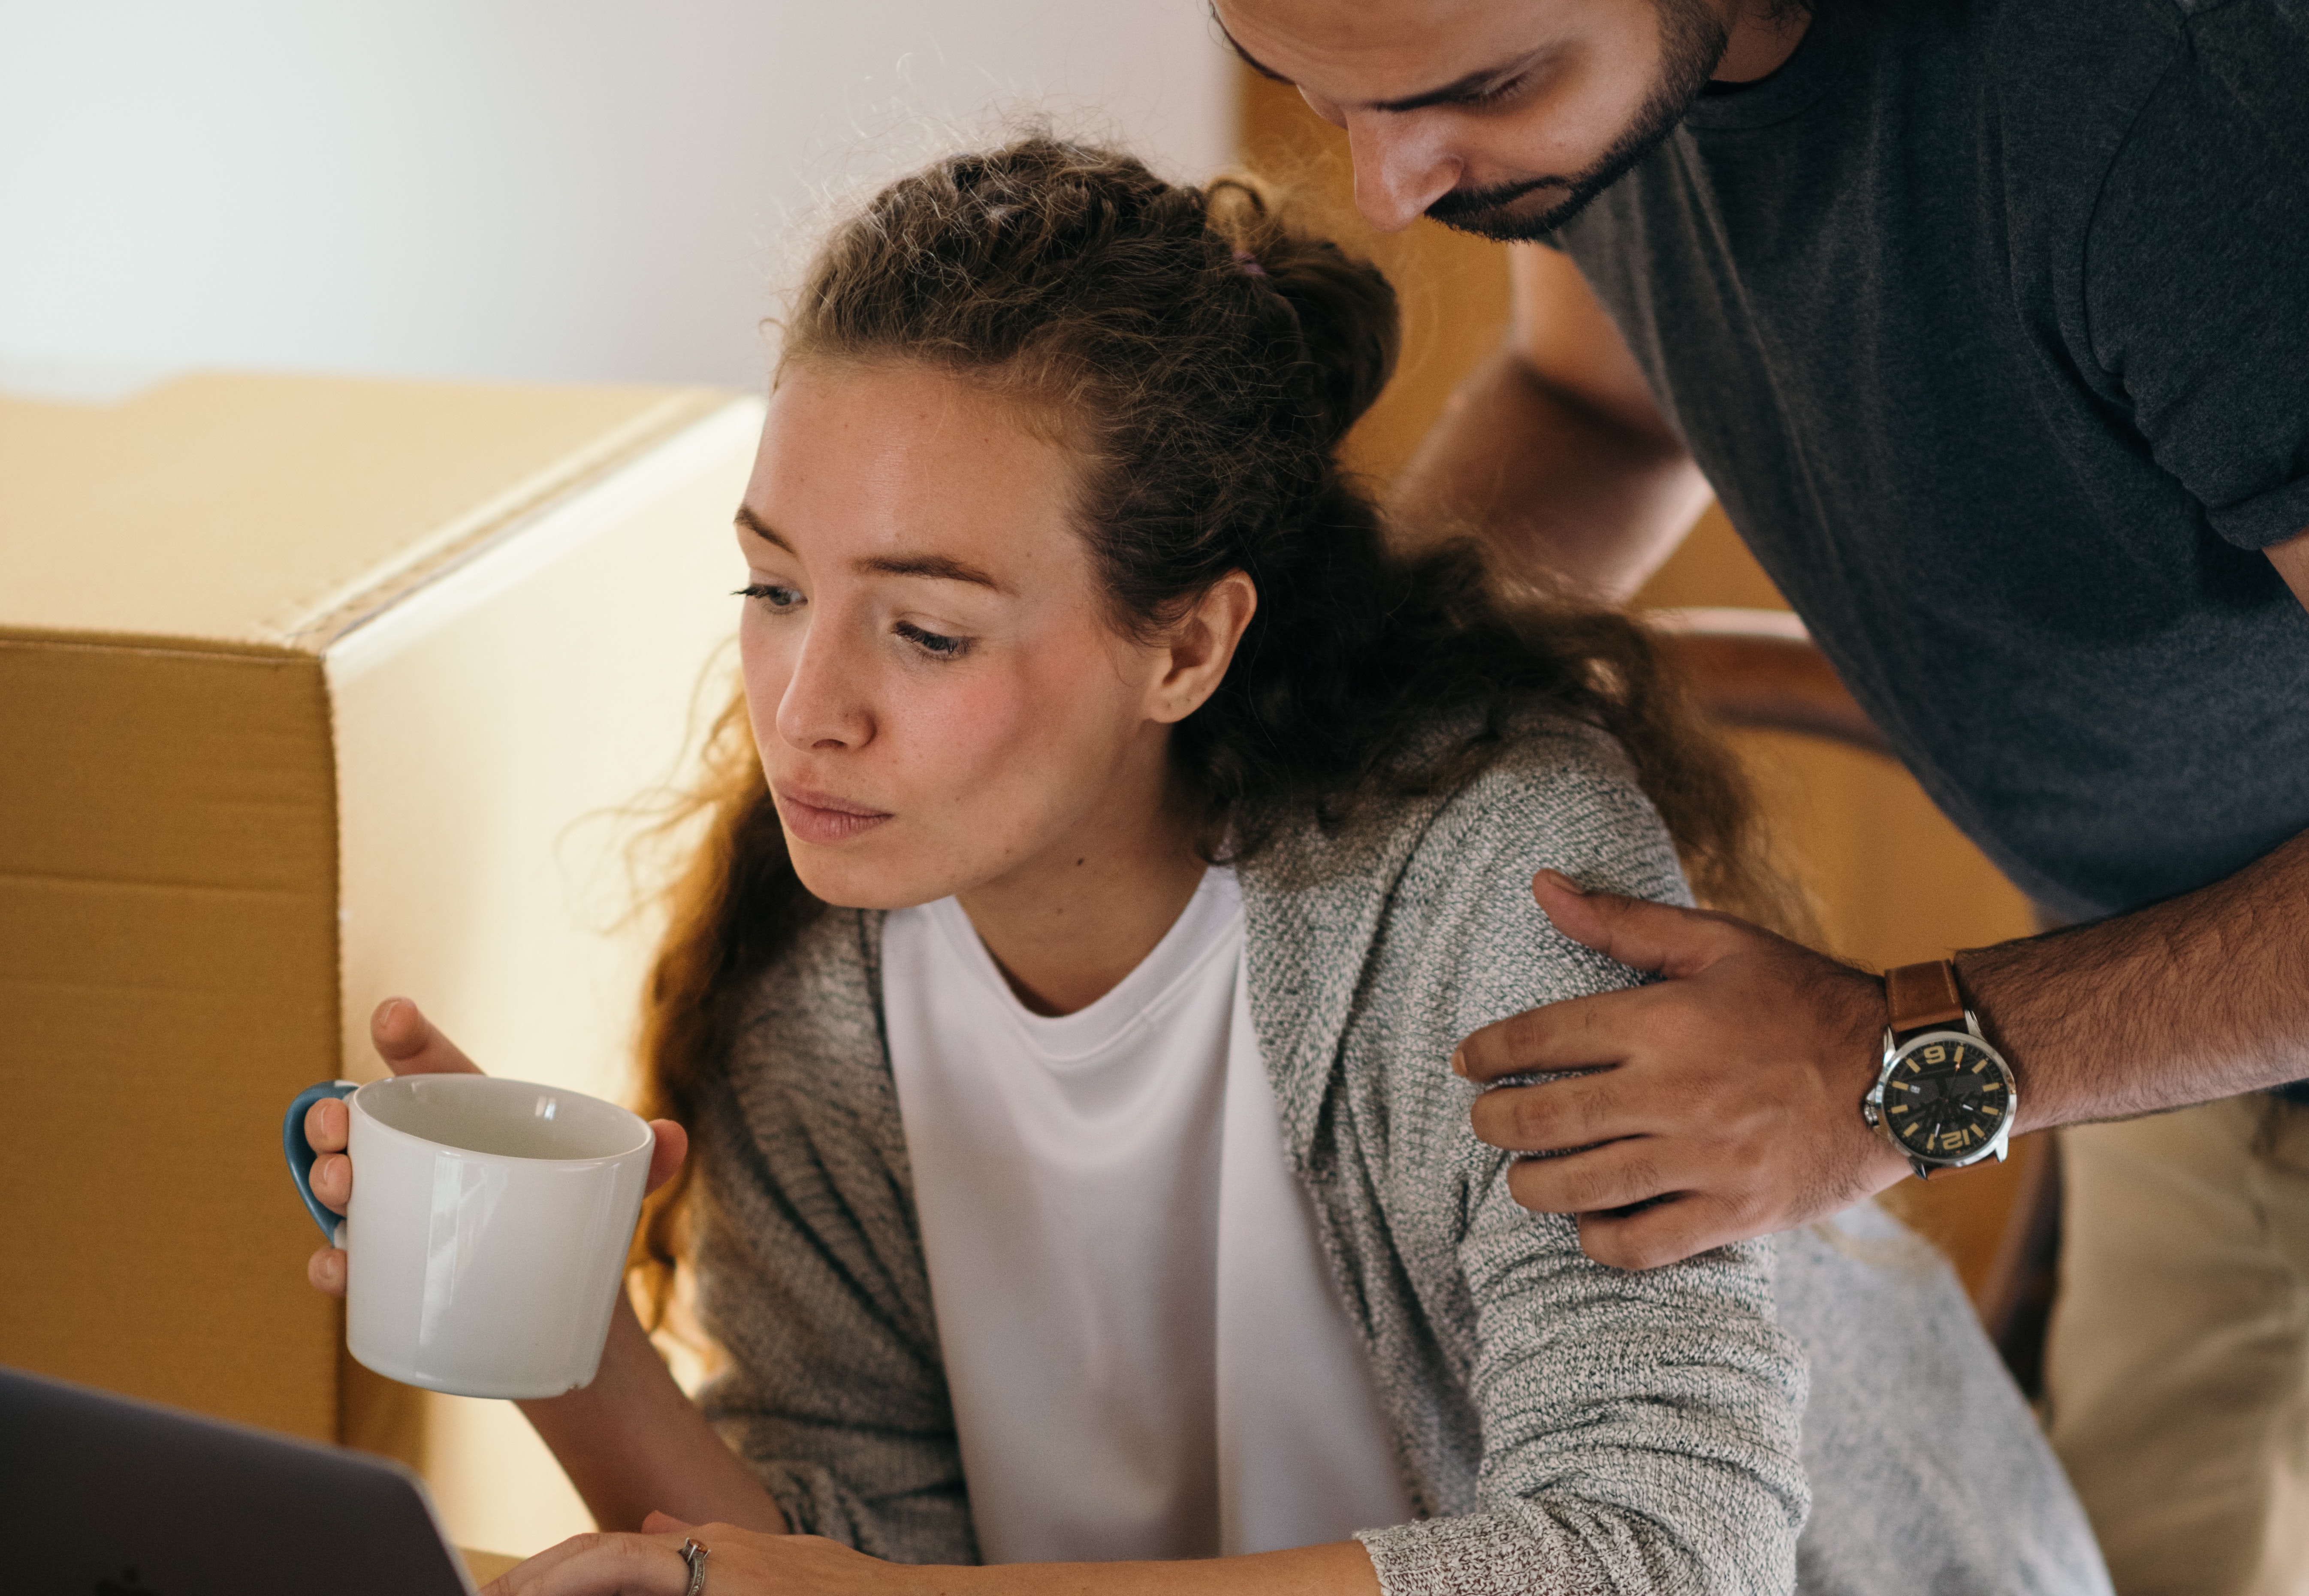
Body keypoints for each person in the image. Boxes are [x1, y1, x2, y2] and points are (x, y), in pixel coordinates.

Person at [297, 139, 2104, 1595]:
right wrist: (565, 1334)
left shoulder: (1490, 889)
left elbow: (1663, 1549)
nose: (802, 707)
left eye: (923, 631)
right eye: (773, 586)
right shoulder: (826, 965)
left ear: (1184, 645)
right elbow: (835, 1553)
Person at [1203, 0, 2309, 1590]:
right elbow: (1599, 403)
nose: (1385, 187)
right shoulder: (1601, 103)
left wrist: (1890, 1061)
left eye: (1486, 91)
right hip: (2171, 1025)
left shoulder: (2179, 114)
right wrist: (1318, 716)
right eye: (1305, 94)